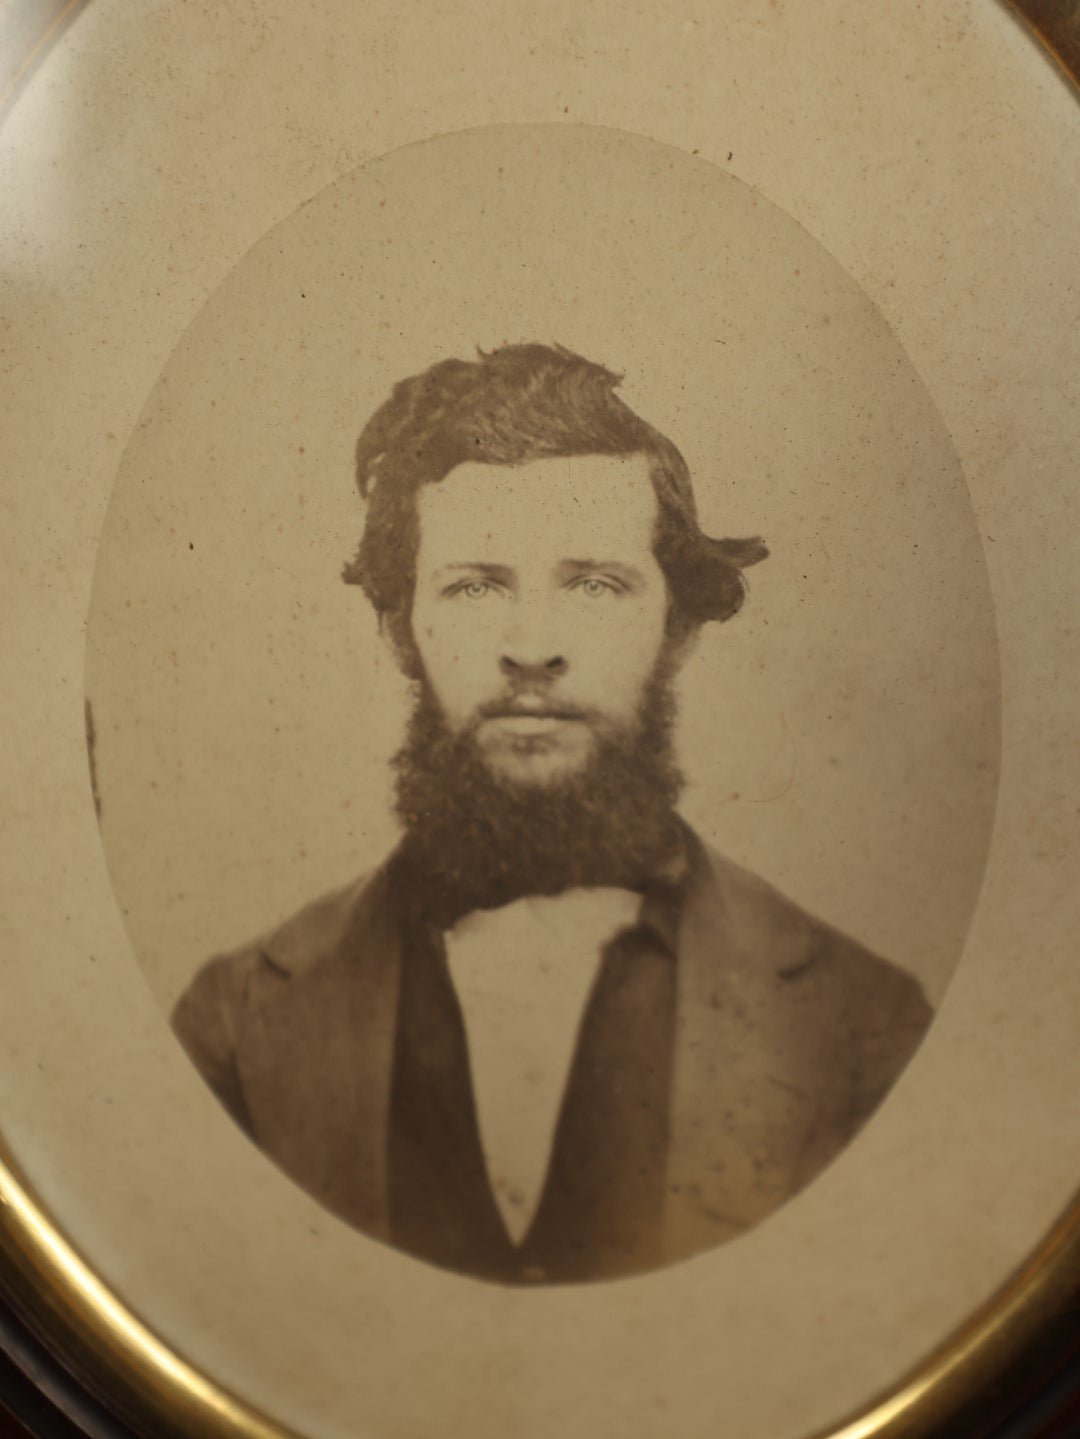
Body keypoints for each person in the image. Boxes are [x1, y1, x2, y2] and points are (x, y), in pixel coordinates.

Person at [173, 343, 932, 1284]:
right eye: (476, 584)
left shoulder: (869, 1027)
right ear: (399, 629)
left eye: (595, 584)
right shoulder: (234, 1027)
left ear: (679, 628)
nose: (532, 646)